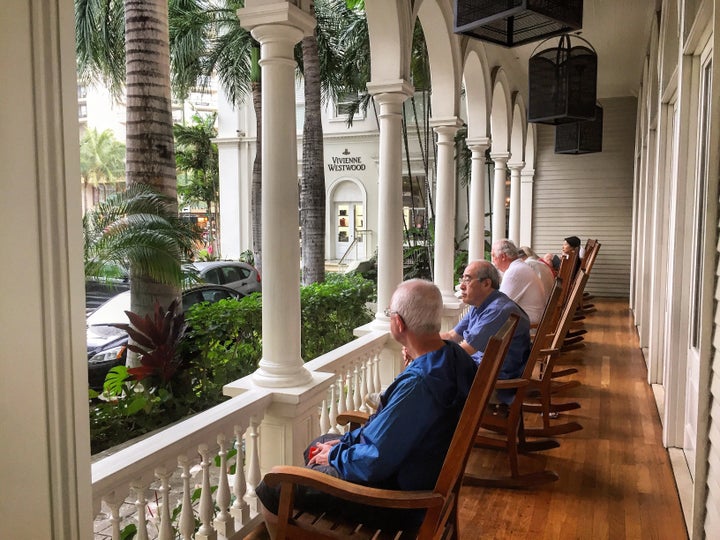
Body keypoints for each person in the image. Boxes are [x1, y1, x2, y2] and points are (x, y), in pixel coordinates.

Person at [255, 279, 478, 536]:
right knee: (323, 442)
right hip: (422, 469)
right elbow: (396, 425)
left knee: (274, 486)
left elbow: (375, 462)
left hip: (401, 500)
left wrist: (336, 456)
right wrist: (342, 445)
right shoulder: (452, 355)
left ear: (399, 323)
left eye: (389, 314)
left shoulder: (419, 384)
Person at [440, 260, 531, 404]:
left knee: (433, 379)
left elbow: (466, 350)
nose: (461, 286)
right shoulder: (480, 305)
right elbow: (452, 336)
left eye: (468, 280)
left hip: (494, 382)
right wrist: (422, 342)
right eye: (462, 279)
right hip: (484, 370)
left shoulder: (498, 310)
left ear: (486, 284)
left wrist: (425, 353)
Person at [491, 239, 547, 325]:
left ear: (503, 257)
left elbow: (499, 306)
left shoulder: (514, 272)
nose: (493, 261)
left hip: (528, 328)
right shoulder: (519, 267)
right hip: (531, 322)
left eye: (493, 256)